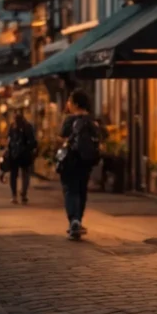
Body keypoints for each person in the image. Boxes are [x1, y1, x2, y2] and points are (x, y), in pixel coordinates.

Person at [59, 90, 101, 240]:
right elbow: (99, 137)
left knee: (71, 190)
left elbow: (62, 134)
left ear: (75, 104)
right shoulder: (92, 120)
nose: (68, 104)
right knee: (82, 190)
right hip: (86, 161)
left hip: (70, 160)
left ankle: (74, 220)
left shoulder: (69, 120)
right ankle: (78, 220)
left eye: (70, 101)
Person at [4, 111, 37, 204]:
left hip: (14, 155)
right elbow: (33, 141)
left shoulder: (12, 126)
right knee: (25, 175)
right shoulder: (28, 126)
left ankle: (14, 196)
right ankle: (24, 194)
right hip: (25, 155)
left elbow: (9, 140)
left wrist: (8, 150)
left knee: (13, 175)